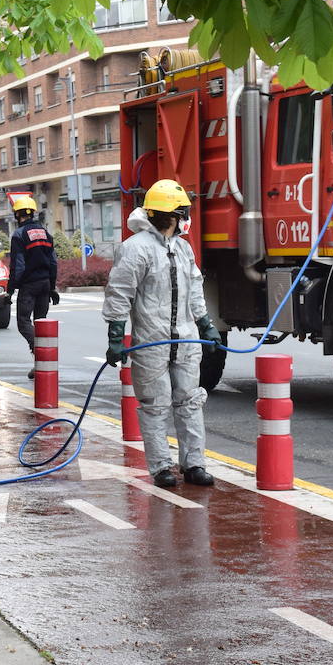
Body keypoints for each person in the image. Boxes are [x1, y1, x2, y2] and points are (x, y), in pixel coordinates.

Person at [101, 179, 221, 489]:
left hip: (185, 340)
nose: (185, 218)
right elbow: (120, 293)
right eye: (183, 213)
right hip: (151, 343)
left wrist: (206, 325)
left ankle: (194, 464)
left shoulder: (182, 249)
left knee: (190, 402)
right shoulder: (135, 249)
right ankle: (161, 468)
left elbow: (195, 290)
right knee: (155, 405)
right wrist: (116, 336)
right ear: (170, 215)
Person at [6, 194, 59, 380]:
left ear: (17, 215)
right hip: (45, 283)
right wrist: (53, 287)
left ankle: (40, 354)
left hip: (29, 285)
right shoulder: (46, 234)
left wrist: (10, 290)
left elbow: (18, 266)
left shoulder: (19, 235)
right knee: (40, 323)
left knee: (23, 323)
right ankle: (41, 365)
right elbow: (53, 263)